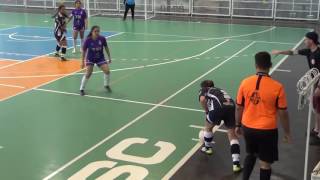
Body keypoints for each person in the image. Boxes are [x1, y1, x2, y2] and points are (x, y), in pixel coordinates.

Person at [235, 52, 291, 180]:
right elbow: (283, 112)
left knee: (250, 154)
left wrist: (238, 125)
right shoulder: (277, 87)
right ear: (270, 65)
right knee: (265, 164)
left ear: (255, 65)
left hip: (248, 127)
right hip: (267, 130)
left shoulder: (245, 82)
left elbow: (239, 107)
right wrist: (287, 132)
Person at [272, 31, 320, 144]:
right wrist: (280, 51)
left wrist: (319, 86)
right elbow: (293, 52)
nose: (304, 41)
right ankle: (317, 129)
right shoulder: (309, 51)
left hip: (319, 84)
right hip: (315, 82)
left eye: (306, 39)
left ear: (311, 41)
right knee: (316, 107)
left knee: (319, 108)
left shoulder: (318, 53)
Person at [199, 80, 242, 173]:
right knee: (232, 134)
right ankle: (236, 164)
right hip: (231, 107)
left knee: (208, 126)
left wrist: (206, 111)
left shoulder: (205, 89)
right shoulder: (219, 90)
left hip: (218, 109)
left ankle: (207, 148)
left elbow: (202, 99)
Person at [80, 26, 112, 96]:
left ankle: (106, 85)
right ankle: (82, 89)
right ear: (92, 32)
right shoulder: (88, 40)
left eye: (98, 31)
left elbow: (106, 47)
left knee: (107, 71)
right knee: (88, 73)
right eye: (95, 31)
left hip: (100, 58)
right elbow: (84, 51)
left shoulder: (102, 39)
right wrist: (82, 62)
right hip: (90, 58)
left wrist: (109, 57)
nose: (97, 32)